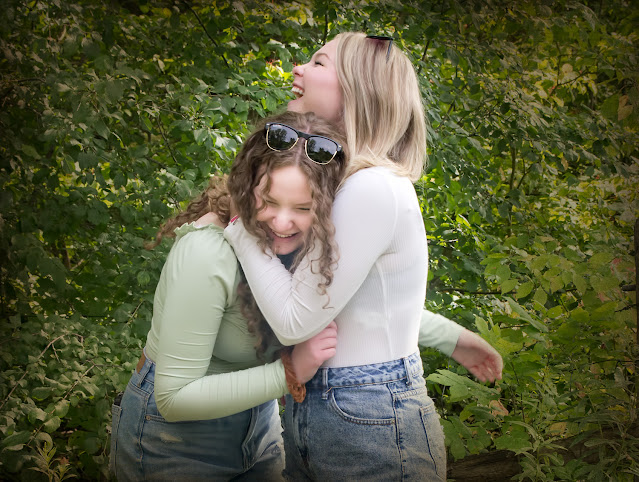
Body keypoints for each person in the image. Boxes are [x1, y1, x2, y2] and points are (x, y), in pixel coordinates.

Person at [222, 32, 503, 480]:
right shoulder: (350, 183)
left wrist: (239, 232)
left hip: (366, 416)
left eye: (318, 62)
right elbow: (359, 302)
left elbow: (297, 319)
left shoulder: (371, 188)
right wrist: (451, 337)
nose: (298, 69)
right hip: (332, 408)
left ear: (356, 90)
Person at [109, 110, 347, 481]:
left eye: (303, 208)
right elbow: (173, 399)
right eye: (268, 201)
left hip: (261, 428)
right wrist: (291, 373)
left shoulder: (315, 251)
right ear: (245, 186)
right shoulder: (208, 252)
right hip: (174, 442)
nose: (282, 223)